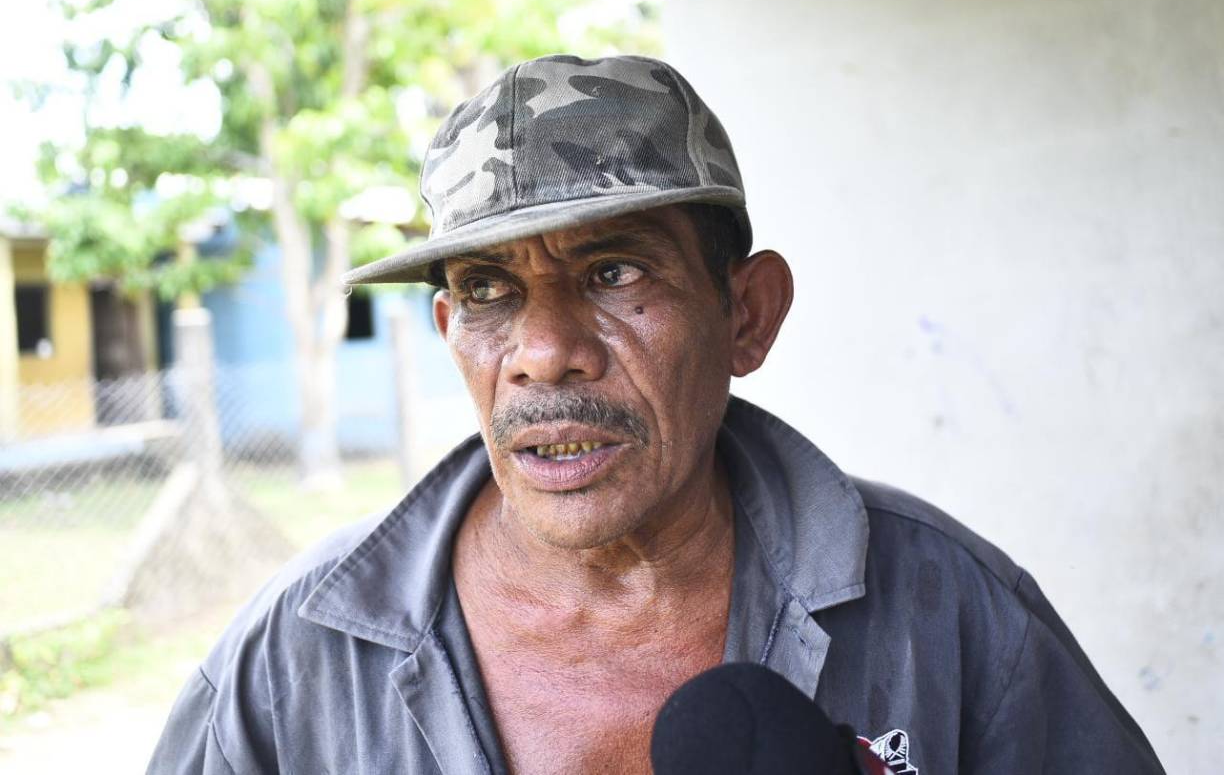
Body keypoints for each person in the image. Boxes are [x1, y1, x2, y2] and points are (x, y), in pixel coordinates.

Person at [147, 54, 1164, 775]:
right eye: (492, 292)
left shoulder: (950, 611)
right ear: (451, 329)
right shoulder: (301, 655)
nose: (544, 352)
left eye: (615, 269)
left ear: (747, 316)